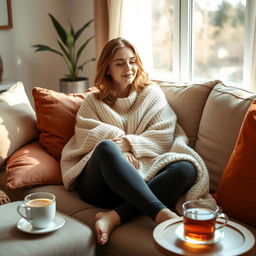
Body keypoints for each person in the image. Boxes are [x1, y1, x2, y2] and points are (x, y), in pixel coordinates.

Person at [60, 37, 212, 245]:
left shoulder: (151, 93)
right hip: (100, 185)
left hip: (140, 181)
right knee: (106, 147)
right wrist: (120, 149)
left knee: (186, 168)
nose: (128, 68)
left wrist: (130, 144)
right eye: (120, 63)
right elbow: (88, 135)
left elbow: (163, 134)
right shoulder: (92, 101)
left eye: (132, 61)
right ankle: (161, 214)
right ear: (107, 69)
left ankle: (113, 216)